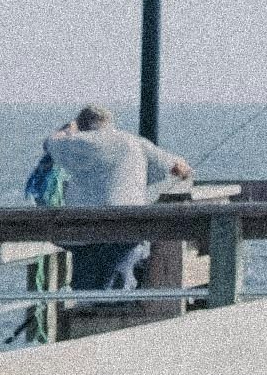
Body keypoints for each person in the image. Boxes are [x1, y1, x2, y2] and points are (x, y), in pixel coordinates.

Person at [21, 102, 189, 292]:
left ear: (82, 126)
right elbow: (179, 168)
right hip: (128, 228)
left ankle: (90, 308)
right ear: (109, 123)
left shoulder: (77, 142)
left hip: (84, 231)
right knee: (122, 282)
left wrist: (68, 128)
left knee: (87, 289)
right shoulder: (135, 142)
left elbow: (49, 142)